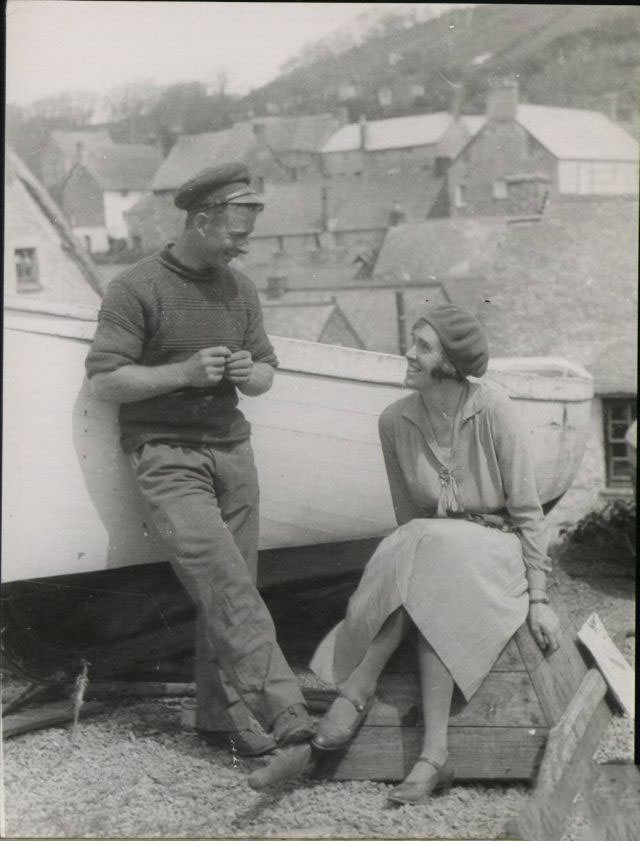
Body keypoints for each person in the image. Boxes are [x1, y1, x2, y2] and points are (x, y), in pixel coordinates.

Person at [85, 162, 314, 762]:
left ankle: (218, 718)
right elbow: (106, 380)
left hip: (233, 450)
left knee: (234, 585)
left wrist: (250, 373)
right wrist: (181, 374)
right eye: (237, 233)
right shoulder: (135, 287)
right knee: (225, 582)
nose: (244, 247)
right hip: (165, 456)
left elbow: (265, 371)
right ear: (202, 219)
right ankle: (286, 711)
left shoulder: (240, 289)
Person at [305, 303, 562, 805]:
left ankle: (357, 689)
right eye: (413, 343)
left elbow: (529, 514)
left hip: (496, 548)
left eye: (423, 347)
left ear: (450, 361)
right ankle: (434, 754)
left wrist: (539, 597)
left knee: (429, 544)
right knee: (424, 547)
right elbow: (408, 518)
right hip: (435, 553)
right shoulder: (393, 421)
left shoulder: (496, 410)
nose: (409, 353)